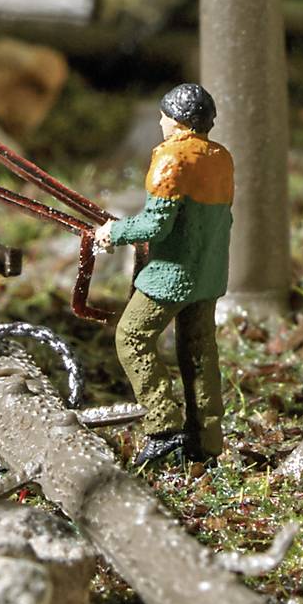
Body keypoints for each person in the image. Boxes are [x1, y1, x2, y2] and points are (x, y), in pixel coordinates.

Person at [98, 80, 233, 468]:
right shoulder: (221, 157)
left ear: (178, 122)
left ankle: (163, 427)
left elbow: (157, 226)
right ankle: (205, 442)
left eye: (164, 115)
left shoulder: (172, 159)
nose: (159, 121)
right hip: (208, 272)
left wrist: (115, 231)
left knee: (132, 336)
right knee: (199, 355)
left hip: (173, 274)